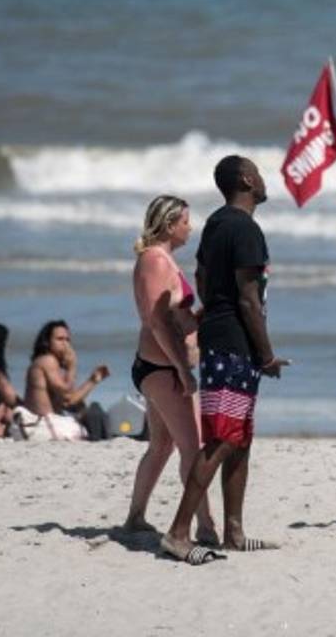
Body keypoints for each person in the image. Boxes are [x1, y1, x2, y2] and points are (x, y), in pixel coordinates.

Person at [160, 156, 287, 565]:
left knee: (239, 439)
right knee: (222, 439)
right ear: (248, 180)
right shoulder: (244, 228)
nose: (265, 180)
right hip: (235, 343)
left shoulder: (215, 224)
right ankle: (178, 533)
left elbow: (199, 276)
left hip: (225, 337)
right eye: (260, 173)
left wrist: (213, 307)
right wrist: (266, 355)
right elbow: (249, 299)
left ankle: (233, 532)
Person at [123, 195, 218, 544]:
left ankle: (135, 517)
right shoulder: (155, 260)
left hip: (164, 367)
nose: (190, 228)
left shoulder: (164, 260)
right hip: (162, 368)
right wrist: (183, 369)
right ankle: (206, 527)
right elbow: (157, 322)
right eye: (185, 222)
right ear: (168, 225)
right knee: (193, 449)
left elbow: (178, 317)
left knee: (162, 444)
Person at [22, 320, 110, 441]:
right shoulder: (47, 360)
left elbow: (71, 400)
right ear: (47, 342)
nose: (65, 344)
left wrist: (93, 380)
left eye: (67, 340)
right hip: (43, 423)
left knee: (89, 409)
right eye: (60, 339)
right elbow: (67, 397)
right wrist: (72, 366)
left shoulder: (52, 364)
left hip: (47, 423)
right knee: (94, 413)